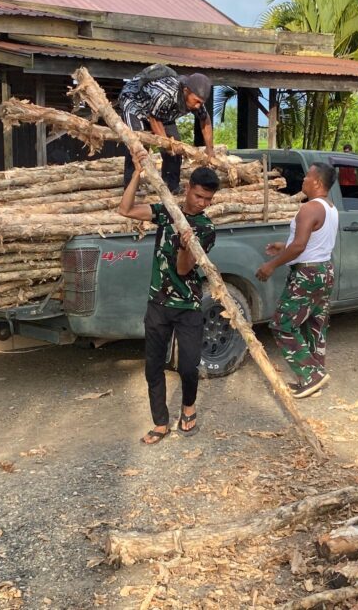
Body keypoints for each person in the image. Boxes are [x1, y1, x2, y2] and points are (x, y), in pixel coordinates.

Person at [118, 156, 220, 444]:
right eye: (198, 196)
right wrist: (137, 174)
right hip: (158, 304)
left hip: (188, 305)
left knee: (188, 366)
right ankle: (160, 423)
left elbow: (184, 269)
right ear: (188, 188)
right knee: (153, 366)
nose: (202, 203)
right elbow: (125, 210)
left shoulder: (206, 228)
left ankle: (188, 407)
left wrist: (187, 245)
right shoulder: (166, 212)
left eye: (208, 199)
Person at [256, 162, 339, 399]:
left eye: (307, 176)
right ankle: (314, 380)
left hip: (307, 274)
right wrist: (284, 246)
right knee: (315, 325)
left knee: (282, 324)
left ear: (317, 182)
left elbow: (301, 246)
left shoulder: (309, 208)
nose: (303, 180)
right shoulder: (330, 207)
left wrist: (271, 265)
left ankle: (311, 375)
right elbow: (312, 243)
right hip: (323, 270)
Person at [119, 65, 215, 194]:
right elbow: (154, 119)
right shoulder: (166, 94)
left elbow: (205, 121)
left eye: (201, 103)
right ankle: (131, 188)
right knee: (138, 147)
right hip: (135, 105)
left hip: (161, 113)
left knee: (176, 146)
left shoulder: (197, 102)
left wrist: (210, 148)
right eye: (196, 101)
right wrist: (167, 145)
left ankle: (171, 186)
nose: (198, 106)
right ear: (186, 90)